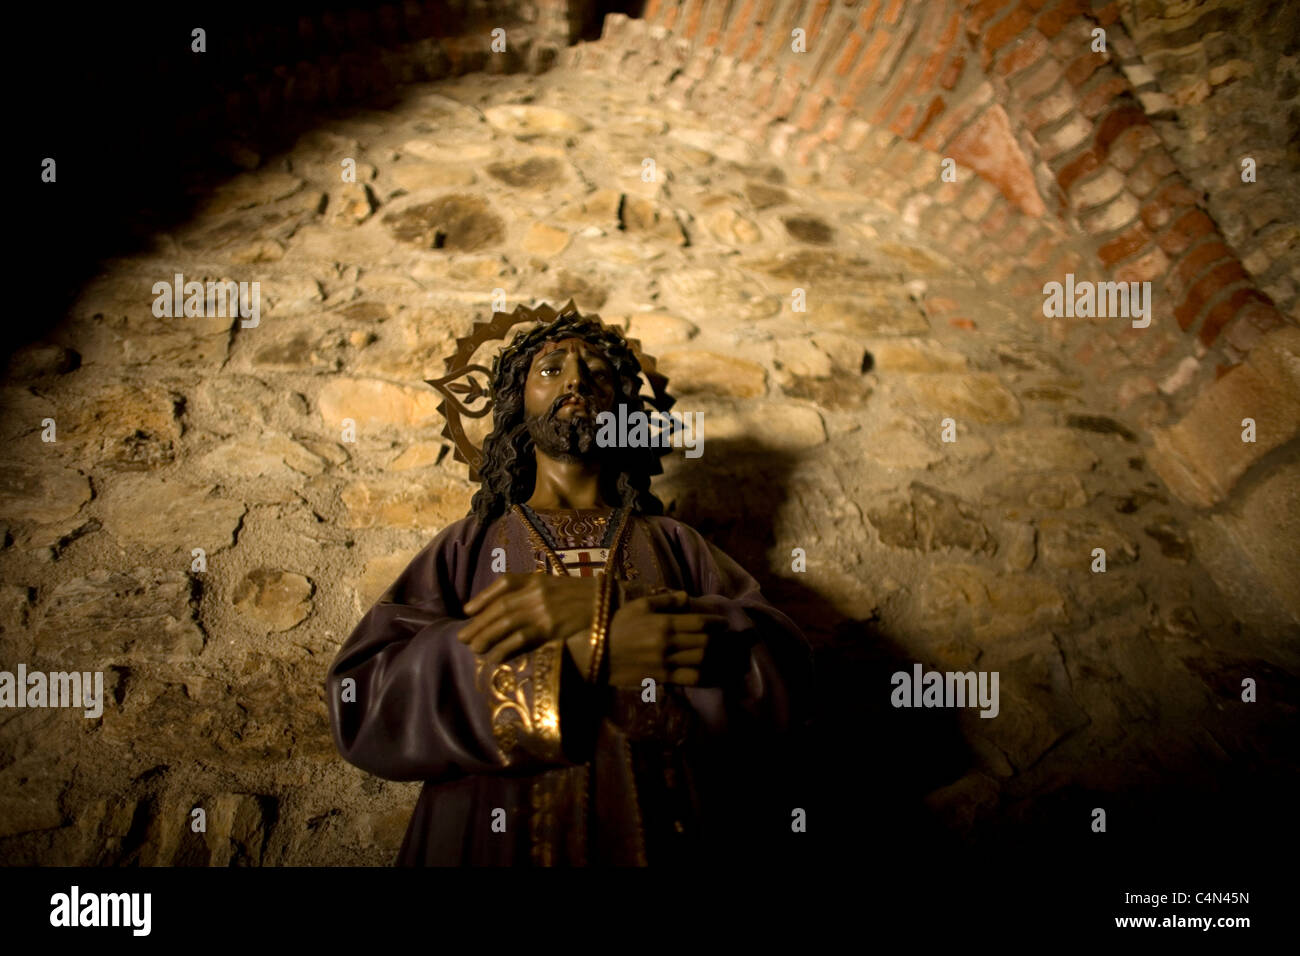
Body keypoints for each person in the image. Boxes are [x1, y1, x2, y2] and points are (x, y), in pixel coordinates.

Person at [326, 308, 811, 865]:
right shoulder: (470, 545)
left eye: (598, 373)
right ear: (516, 405)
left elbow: (786, 671)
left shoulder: (676, 543)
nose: (577, 381)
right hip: (492, 829)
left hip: (670, 823)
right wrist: (579, 658)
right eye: (551, 370)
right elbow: (362, 695)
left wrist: (608, 605)